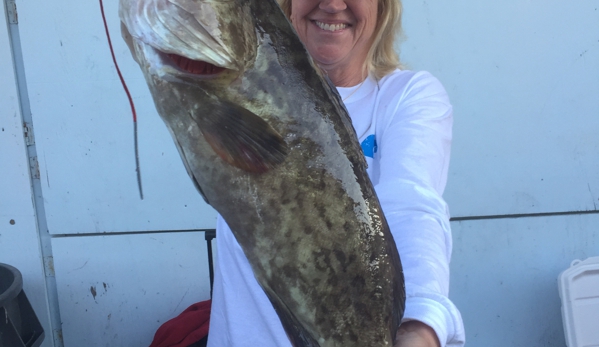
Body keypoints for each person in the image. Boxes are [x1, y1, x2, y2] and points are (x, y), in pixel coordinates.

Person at [207, 0, 465, 345]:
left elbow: (411, 207)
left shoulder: (407, 97)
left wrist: (420, 326)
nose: (332, 4)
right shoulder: (237, 92)